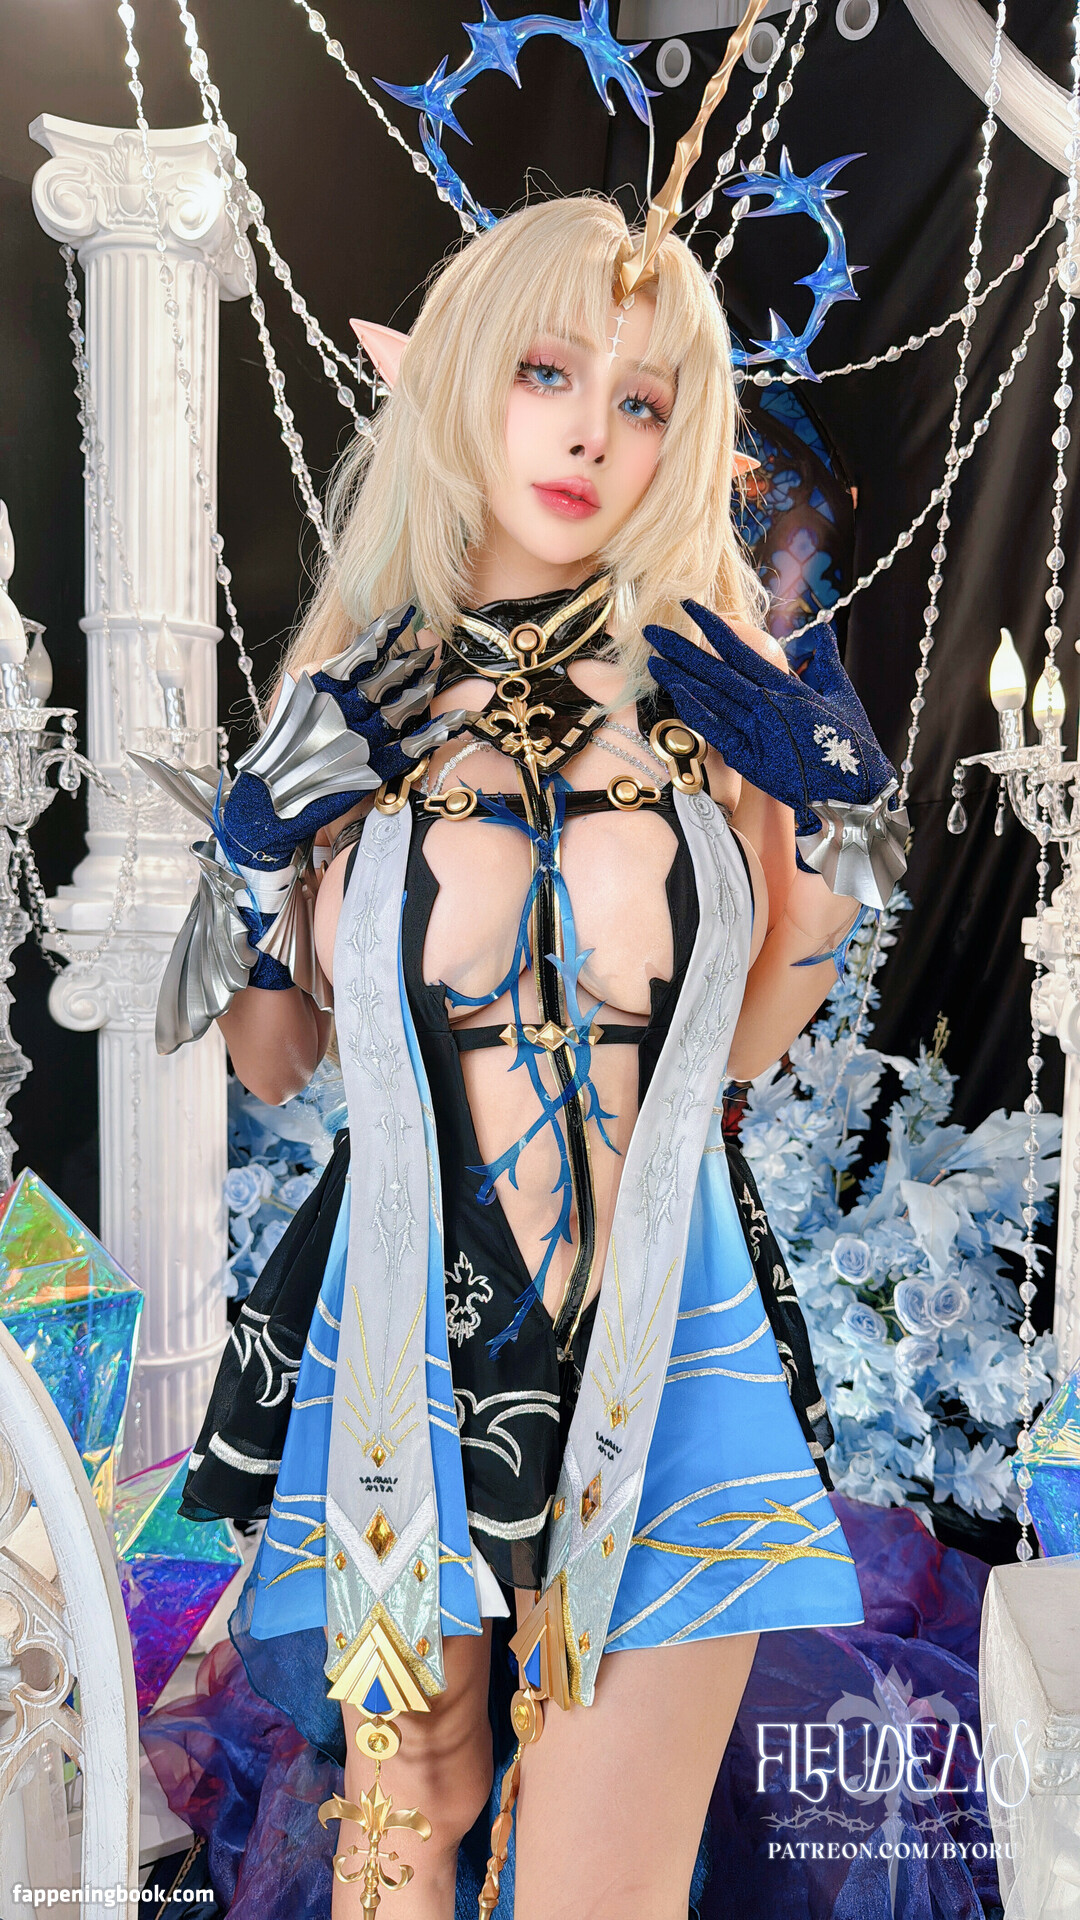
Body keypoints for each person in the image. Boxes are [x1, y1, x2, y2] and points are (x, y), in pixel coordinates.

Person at [145, 196, 905, 1919]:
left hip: (675, 1343)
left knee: (598, 1892)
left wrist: (842, 818)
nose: (587, 435)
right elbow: (271, 1060)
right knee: (400, 1821)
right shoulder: (357, 686)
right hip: (396, 1360)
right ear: (463, 376)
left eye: (642, 401)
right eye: (549, 374)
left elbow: (754, 1033)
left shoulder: (716, 689)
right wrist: (255, 849)